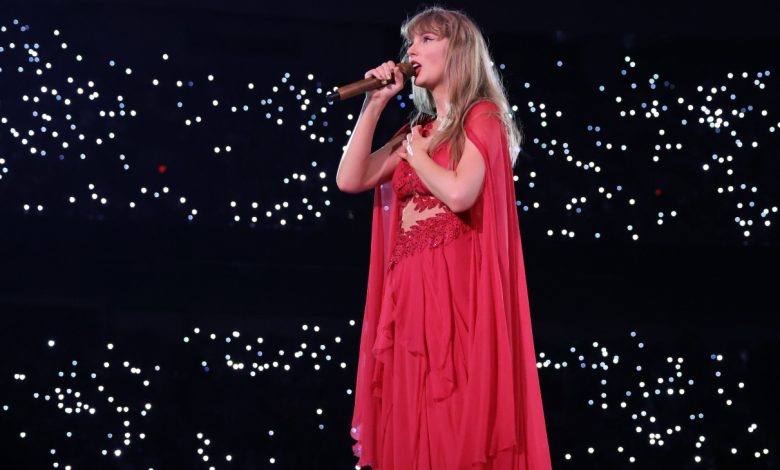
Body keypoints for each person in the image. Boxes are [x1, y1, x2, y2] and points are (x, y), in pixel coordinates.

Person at [336, 6, 552, 470]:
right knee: (412, 418)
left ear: (459, 51)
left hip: (455, 291)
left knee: (450, 412)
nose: (412, 50)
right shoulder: (417, 130)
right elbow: (352, 179)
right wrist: (375, 104)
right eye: (411, 42)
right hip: (408, 291)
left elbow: (459, 193)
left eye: (428, 39)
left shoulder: (484, 116)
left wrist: (418, 156)